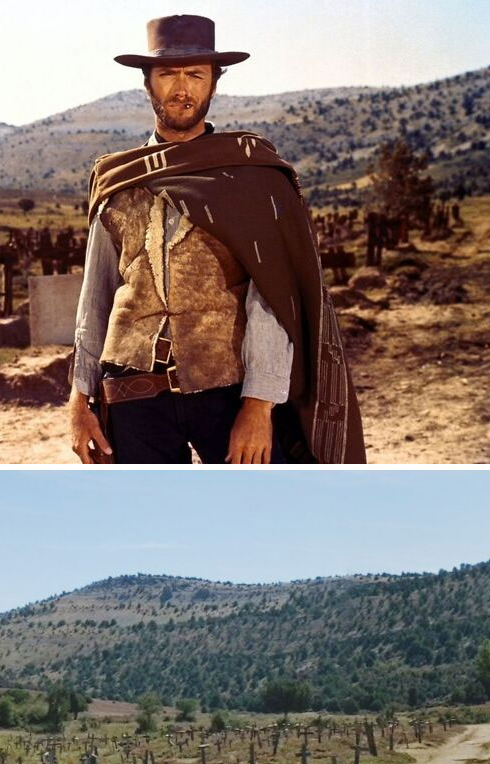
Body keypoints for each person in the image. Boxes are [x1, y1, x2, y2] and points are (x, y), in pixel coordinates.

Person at [69, 14, 365, 464]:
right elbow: (96, 298)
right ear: (147, 83)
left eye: (195, 75)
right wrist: (79, 398)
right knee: (150, 524)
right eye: (167, 74)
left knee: (261, 520)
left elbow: (272, 299)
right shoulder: (117, 179)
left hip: (227, 393)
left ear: (214, 82)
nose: (182, 88)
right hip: (132, 395)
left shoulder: (250, 176)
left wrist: (259, 405)